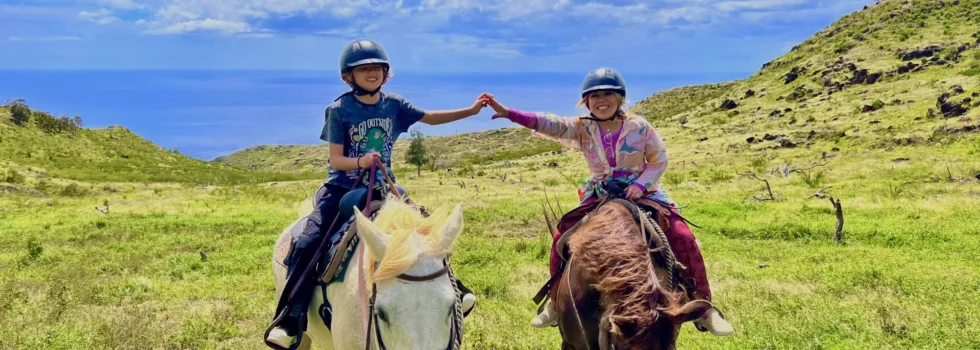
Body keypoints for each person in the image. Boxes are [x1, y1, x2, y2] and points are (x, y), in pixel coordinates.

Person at [482, 67, 733, 336]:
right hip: (600, 195)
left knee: (683, 236)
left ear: (620, 98)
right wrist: (509, 113)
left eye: (608, 94)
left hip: (642, 193)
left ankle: (704, 307)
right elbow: (547, 122)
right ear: (586, 102)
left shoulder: (640, 127)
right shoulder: (582, 128)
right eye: (595, 96)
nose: (601, 100)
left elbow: (659, 160)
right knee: (561, 237)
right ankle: (555, 303)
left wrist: (640, 185)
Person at [266, 39, 483, 349]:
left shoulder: (394, 105)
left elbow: (431, 117)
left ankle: (454, 293)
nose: (371, 73)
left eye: (376, 68)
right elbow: (336, 160)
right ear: (349, 76)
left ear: (386, 73)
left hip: (385, 187)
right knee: (306, 240)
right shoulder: (339, 110)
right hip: (343, 187)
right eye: (363, 69)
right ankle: (291, 318)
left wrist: (472, 110)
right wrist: (361, 161)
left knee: (428, 235)